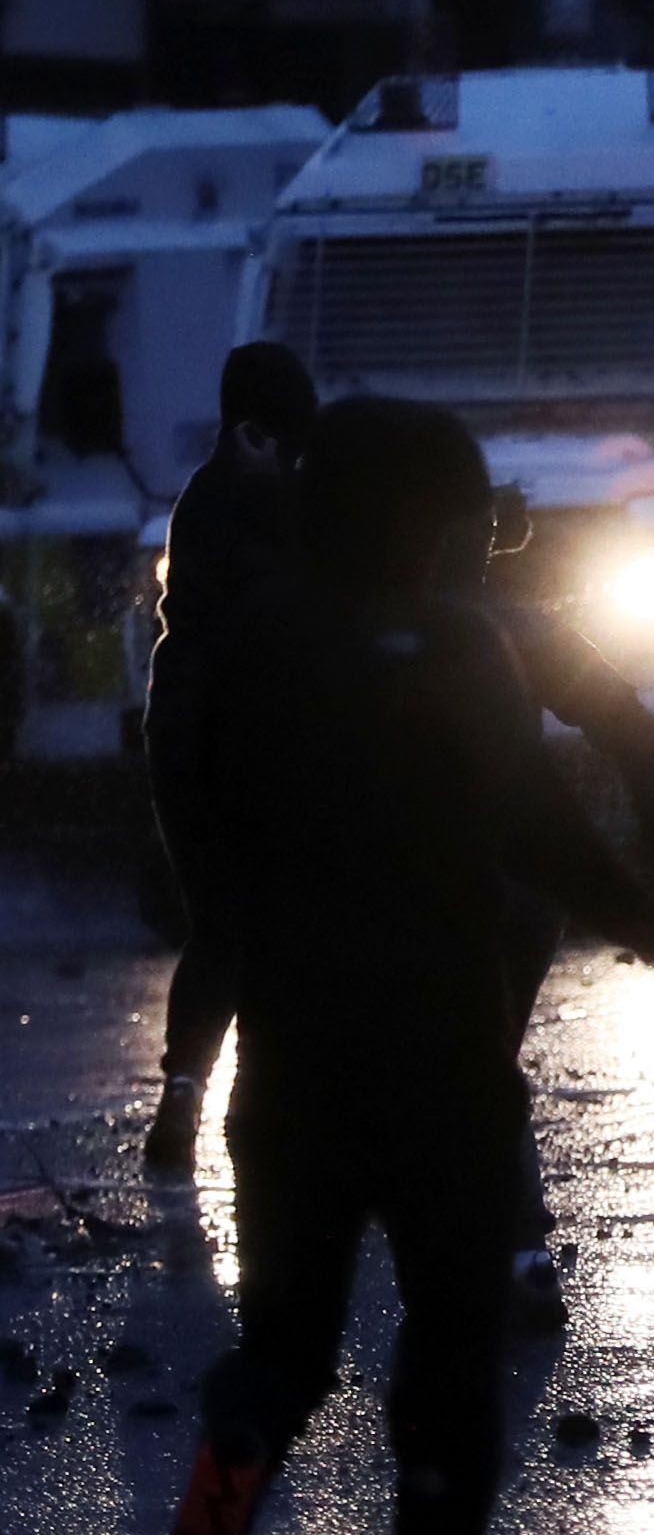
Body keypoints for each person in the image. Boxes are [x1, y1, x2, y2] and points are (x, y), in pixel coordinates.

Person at [159, 397, 654, 1535]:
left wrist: (239, 924)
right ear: (431, 523)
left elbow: (193, 801)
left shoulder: (256, 646)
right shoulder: (465, 650)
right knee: (448, 1349)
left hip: (294, 1055)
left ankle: (240, 1440)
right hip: (441, 1053)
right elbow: (545, 834)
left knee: (291, 1344)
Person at [465, 489, 654, 1333]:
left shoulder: (363, 630)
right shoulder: (520, 626)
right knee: (479, 1059)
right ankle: (507, 1247)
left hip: (425, 891)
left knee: (458, 1064)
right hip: (523, 885)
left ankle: (506, 1248)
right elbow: (623, 720)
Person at [139, 343, 318, 1171]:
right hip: (237, 738)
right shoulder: (251, 499)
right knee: (268, 921)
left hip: (181, 735)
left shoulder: (206, 495)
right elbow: (287, 596)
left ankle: (184, 1096)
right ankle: (256, 1104)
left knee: (221, 923)